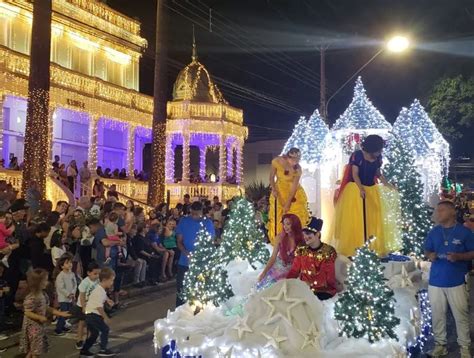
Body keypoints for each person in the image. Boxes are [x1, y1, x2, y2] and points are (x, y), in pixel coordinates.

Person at [332, 134, 398, 257]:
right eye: (378, 149)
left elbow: (378, 173)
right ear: (372, 148)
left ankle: (371, 247)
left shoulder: (378, 158)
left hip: (371, 190)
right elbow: (355, 174)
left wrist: (388, 184)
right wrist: (361, 189)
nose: (380, 152)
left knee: (373, 217)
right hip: (356, 189)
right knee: (356, 219)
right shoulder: (357, 155)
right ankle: (355, 248)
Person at [424, 201, 474, 358]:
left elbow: (473, 252)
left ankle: (464, 348)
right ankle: (440, 345)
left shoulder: (464, 233)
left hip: (457, 281)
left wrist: (460, 256)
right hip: (436, 281)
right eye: (437, 211)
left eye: (442, 210)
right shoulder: (434, 232)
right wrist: (429, 255)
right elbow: (427, 249)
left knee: (461, 316)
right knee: (437, 315)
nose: (438, 214)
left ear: (452, 213)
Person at [19, 268, 70, 358]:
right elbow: (27, 312)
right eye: (45, 280)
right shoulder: (32, 297)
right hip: (33, 327)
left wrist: (60, 313)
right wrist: (39, 317)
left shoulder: (43, 294)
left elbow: (46, 307)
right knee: (36, 351)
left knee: (33, 349)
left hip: (39, 327)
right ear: (37, 283)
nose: (47, 282)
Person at [287, 217, 337, 300]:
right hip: (303, 289)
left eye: (308, 233)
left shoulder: (327, 252)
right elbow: (294, 271)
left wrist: (310, 284)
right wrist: (287, 283)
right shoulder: (301, 249)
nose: (305, 237)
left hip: (322, 291)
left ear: (317, 234)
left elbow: (329, 278)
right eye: (304, 234)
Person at [176, 201, 215, 307]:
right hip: (184, 262)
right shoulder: (184, 221)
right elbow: (179, 241)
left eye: (196, 214)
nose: (194, 216)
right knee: (181, 289)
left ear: (201, 212)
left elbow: (210, 242)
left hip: (201, 262)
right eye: (192, 214)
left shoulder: (207, 223)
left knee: (200, 290)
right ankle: (179, 313)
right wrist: (187, 254)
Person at [267, 148, 309, 245]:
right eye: (293, 160)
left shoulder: (298, 169)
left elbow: (294, 188)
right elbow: (271, 177)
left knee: (295, 217)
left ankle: (295, 242)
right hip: (279, 191)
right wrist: (273, 188)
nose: (295, 163)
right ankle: (278, 242)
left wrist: (288, 203)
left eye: (297, 160)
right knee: (278, 217)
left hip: (293, 193)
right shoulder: (277, 161)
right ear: (287, 157)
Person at [257, 214, 304, 290]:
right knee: (266, 290)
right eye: (284, 224)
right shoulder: (279, 237)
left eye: (288, 224)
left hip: (292, 271)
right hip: (277, 269)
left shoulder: (302, 240)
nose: (285, 226)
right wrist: (263, 273)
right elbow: (273, 257)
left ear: (295, 225)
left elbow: (303, 261)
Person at [80, 267, 116, 357]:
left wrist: (108, 300)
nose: (112, 283)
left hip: (89, 314)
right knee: (105, 329)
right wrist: (105, 317)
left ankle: (84, 350)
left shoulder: (100, 289)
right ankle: (103, 349)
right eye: (111, 280)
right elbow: (99, 307)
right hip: (93, 315)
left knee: (94, 334)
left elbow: (102, 299)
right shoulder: (99, 291)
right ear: (104, 280)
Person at [75, 261, 100, 350]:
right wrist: (83, 306)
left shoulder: (97, 281)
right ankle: (79, 340)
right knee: (82, 323)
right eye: (95, 273)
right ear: (88, 273)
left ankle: (90, 338)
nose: (97, 276)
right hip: (82, 305)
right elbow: (82, 296)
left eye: (98, 274)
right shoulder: (85, 282)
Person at [54, 253, 77, 336]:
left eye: (70, 262)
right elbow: (60, 287)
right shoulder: (60, 276)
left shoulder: (72, 274)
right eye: (67, 263)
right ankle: (58, 329)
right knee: (64, 313)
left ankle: (62, 326)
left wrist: (73, 293)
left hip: (70, 297)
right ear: (62, 266)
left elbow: (75, 284)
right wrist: (68, 294)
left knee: (68, 313)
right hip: (63, 298)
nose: (70, 264)